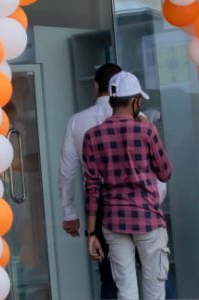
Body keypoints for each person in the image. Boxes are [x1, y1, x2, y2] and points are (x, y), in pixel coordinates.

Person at [84, 72, 172, 300]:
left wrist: (91, 233)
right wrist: (149, 131)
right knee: (154, 289)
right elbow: (165, 172)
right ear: (135, 101)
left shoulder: (92, 136)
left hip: (113, 221)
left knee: (125, 291)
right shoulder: (147, 131)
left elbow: (92, 188)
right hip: (148, 218)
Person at [60, 63, 123, 299]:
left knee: (110, 275)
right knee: (153, 271)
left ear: (95, 86)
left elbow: (67, 170)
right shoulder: (136, 117)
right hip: (138, 200)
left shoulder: (77, 121)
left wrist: (69, 213)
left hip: (99, 205)